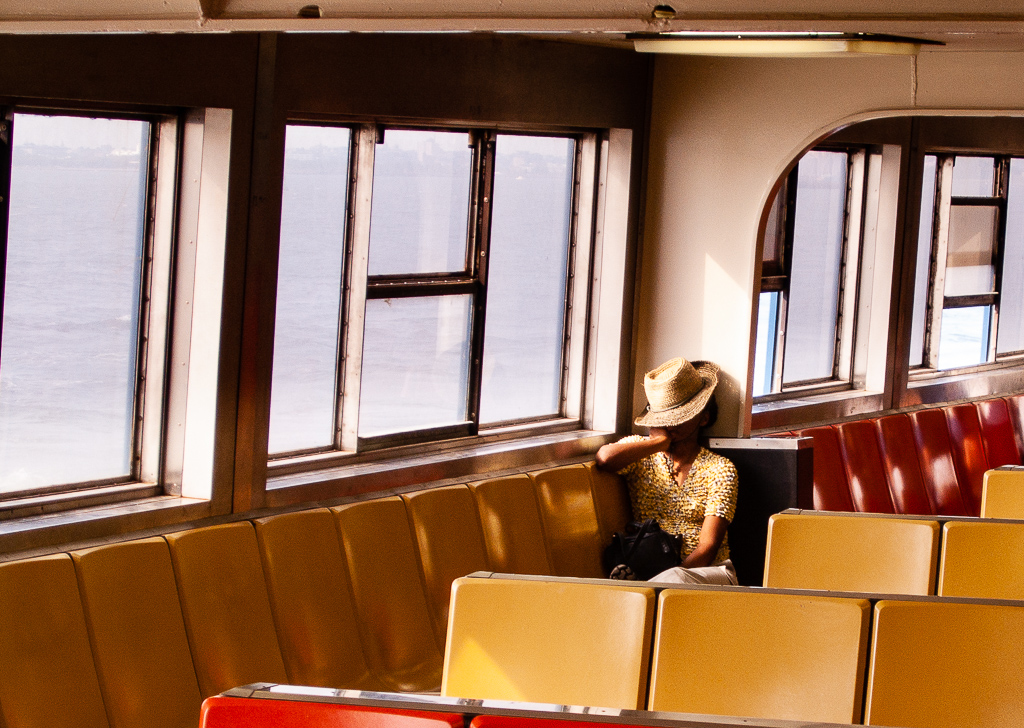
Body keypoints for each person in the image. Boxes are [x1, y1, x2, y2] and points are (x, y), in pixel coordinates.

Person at [595, 357, 738, 585]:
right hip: (651, 567)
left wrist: (665, 581)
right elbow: (604, 458)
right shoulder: (641, 454)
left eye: (680, 416)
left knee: (676, 577)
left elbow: (708, 547)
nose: (671, 424)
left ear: (704, 418)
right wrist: (658, 444)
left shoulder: (720, 469)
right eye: (665, 418)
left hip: (709, 572)